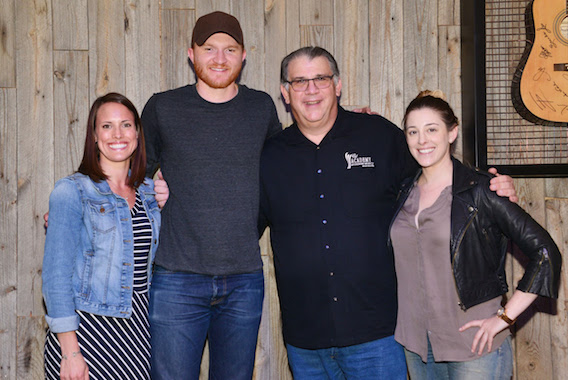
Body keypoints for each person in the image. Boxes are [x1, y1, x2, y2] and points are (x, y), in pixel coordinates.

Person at [257, 47, 519, 379]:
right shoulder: (270, 157)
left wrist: (489, 188)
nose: (311, 89)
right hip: (305, 341)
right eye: (300, 81)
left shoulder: (377, 136)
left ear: (337, 85)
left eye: (321, 78)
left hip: (377, 337)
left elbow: (436, 170)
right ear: (285, 91)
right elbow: (244, 224)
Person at [141, 11, 281, 380]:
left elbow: (286, 170)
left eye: (229, 49)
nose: (219, 58)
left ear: (243, 55)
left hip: (244, 280)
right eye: (209, 48)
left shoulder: (261, 108)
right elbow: (127, 172)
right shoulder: (163, 107)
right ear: (192, 53)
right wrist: (80, 202)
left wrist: (348, 120)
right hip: (176, 279)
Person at [389, 91, 562, 379]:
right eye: (413, 132)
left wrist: (503, 318)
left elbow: (545, 253)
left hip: (474, 345)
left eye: (432, 129)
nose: (422, 140)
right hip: (417, 345)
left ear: (452, 132)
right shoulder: (402, 192)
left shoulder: (482, 190)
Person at [42, 92, 161, 380]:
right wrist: (70, 354)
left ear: (137, 133)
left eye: (126, 125)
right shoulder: (72, 191)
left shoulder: (150, 193)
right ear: (94, 135)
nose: (117, 134)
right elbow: (55, 279)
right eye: (106, 126)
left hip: (140, 335)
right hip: (88, 335)